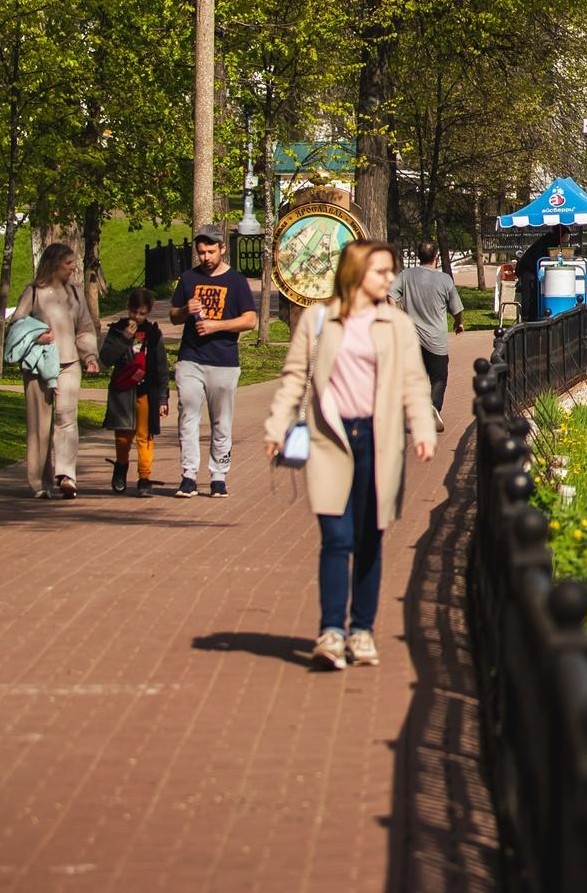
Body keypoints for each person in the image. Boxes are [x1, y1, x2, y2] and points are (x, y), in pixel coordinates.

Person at [262, 240, 437, 670]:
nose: (390, 279)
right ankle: (331, 632)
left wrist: (422, 428)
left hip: (379, 439)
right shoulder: (319, 320)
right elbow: (293, 377)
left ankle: (361, 631)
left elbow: (415, 381)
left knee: (370, 538)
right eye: (382, 272)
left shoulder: (395, 324)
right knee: (337, 539)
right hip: (331, 440)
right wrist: (276, 426)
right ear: (357, 273)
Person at [171, 224, 259, 499]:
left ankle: (219, 476)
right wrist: (186, 309)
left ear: (222, 249)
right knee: (188, 414)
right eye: (201, 252)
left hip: (224, 361)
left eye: (210, 251)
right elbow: (174, 315)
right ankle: (188, 475)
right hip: (191, 359)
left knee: (221, 421)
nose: (205, 257)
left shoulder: (236, 281)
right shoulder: (188, 278)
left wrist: (216, 326)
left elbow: (250, 320)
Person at [10, 243, 100, 498]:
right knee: (40, 425)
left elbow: (84, 328)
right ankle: (39, 482)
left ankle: (66, 475)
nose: (73, 268)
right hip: (38, 367)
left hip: (69, 363)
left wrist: (90, 356)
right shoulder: (34, 292)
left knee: (66, 417)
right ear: (54, 264)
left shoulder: (75, 293)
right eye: (68, 263)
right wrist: (37, 336)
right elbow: (17, 324)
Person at [99, 289, 170, 495]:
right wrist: (124, 339)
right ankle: (121, 468)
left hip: (146, 390)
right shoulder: (117, 330)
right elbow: (106, 359)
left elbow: (161, 367)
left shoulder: (153, 333)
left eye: (141, 313)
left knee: (144, 436)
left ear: (148, 312)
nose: (136, 317)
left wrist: (163, 397)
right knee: (123, 435)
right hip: (122, 390)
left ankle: (144, 477)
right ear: (128, 307)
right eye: (133, 312)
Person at [390, 242, 463, 419]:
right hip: (436, 339)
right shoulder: (445, 279)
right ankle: (433, 407)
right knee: (439, 377)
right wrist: (458, 323)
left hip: (412, 337)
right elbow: (457, 309)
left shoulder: (405, 275)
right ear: (436, 256)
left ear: (418, 255)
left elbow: (390, 295)